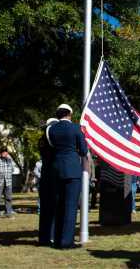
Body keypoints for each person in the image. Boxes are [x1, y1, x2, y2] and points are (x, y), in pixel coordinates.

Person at [46, 104, 88, 249]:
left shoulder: (51, 129)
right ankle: (66, 242)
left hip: (56, 169)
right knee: (70, 207)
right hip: (72, 170)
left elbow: (52, 146)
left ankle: (57, 240)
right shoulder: (76, 128)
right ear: (69, 114)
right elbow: (83, 151)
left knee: (59, 206)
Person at [38, 118, 58, 246]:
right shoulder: (53, 142)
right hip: (53, 175)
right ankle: (52, 236)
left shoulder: (42, 140)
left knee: (45, 209)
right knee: (54, 208)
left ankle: (44, 237)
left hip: (45, 176)